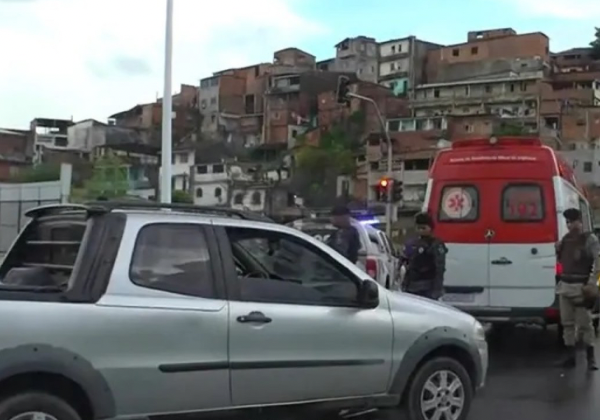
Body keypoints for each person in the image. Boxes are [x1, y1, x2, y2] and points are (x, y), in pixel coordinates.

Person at [555, 208, 599, 370]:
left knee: (585, 324)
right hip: (565, 286)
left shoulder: (589, 239)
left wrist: (593, 283)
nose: (569, 225)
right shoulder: (566, 239)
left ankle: (590, 358)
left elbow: (597, 262)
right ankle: (570, 357)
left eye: (572, 222)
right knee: (567, 323)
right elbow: (562, 261)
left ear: (579, 222)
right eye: (567, 222)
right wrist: (558, 249)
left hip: (581, 287)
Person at [402, 212, 447, 300]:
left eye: (424, 228)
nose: (421, 230)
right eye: (419, 228)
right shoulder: (413, 243)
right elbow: (407, 263)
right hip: (412, 286)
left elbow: (440, 268)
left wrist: (437, 289)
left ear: (430, 228)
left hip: (428, 286)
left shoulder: (436, 244)